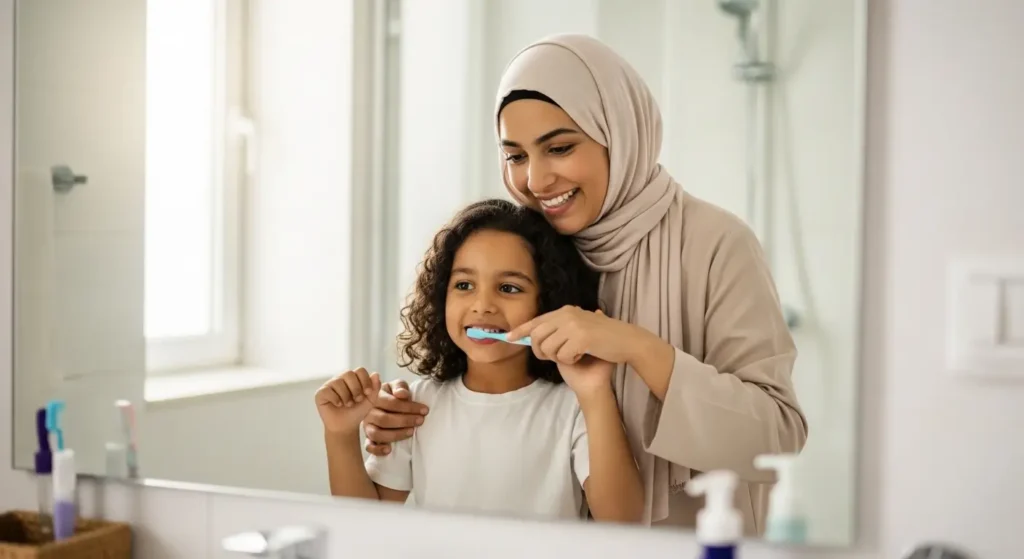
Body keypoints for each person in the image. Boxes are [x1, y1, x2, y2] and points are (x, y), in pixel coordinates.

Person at [361, 34, 808, 534]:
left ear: (618, 131)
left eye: (559, 147)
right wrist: (403, 415)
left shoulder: (716, 243)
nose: (535, 180)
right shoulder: (534, 247)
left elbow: (777, 436)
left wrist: (638, 348)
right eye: (515, 156)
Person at [315, 199, 644, 523]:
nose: (482, 304)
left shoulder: (575, 407)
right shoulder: (415, 407)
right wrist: (341, 435)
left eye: (508, 287)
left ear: (549, 302)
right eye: (464, 285)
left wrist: (596, 390)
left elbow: (621, 521)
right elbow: (364, 525)